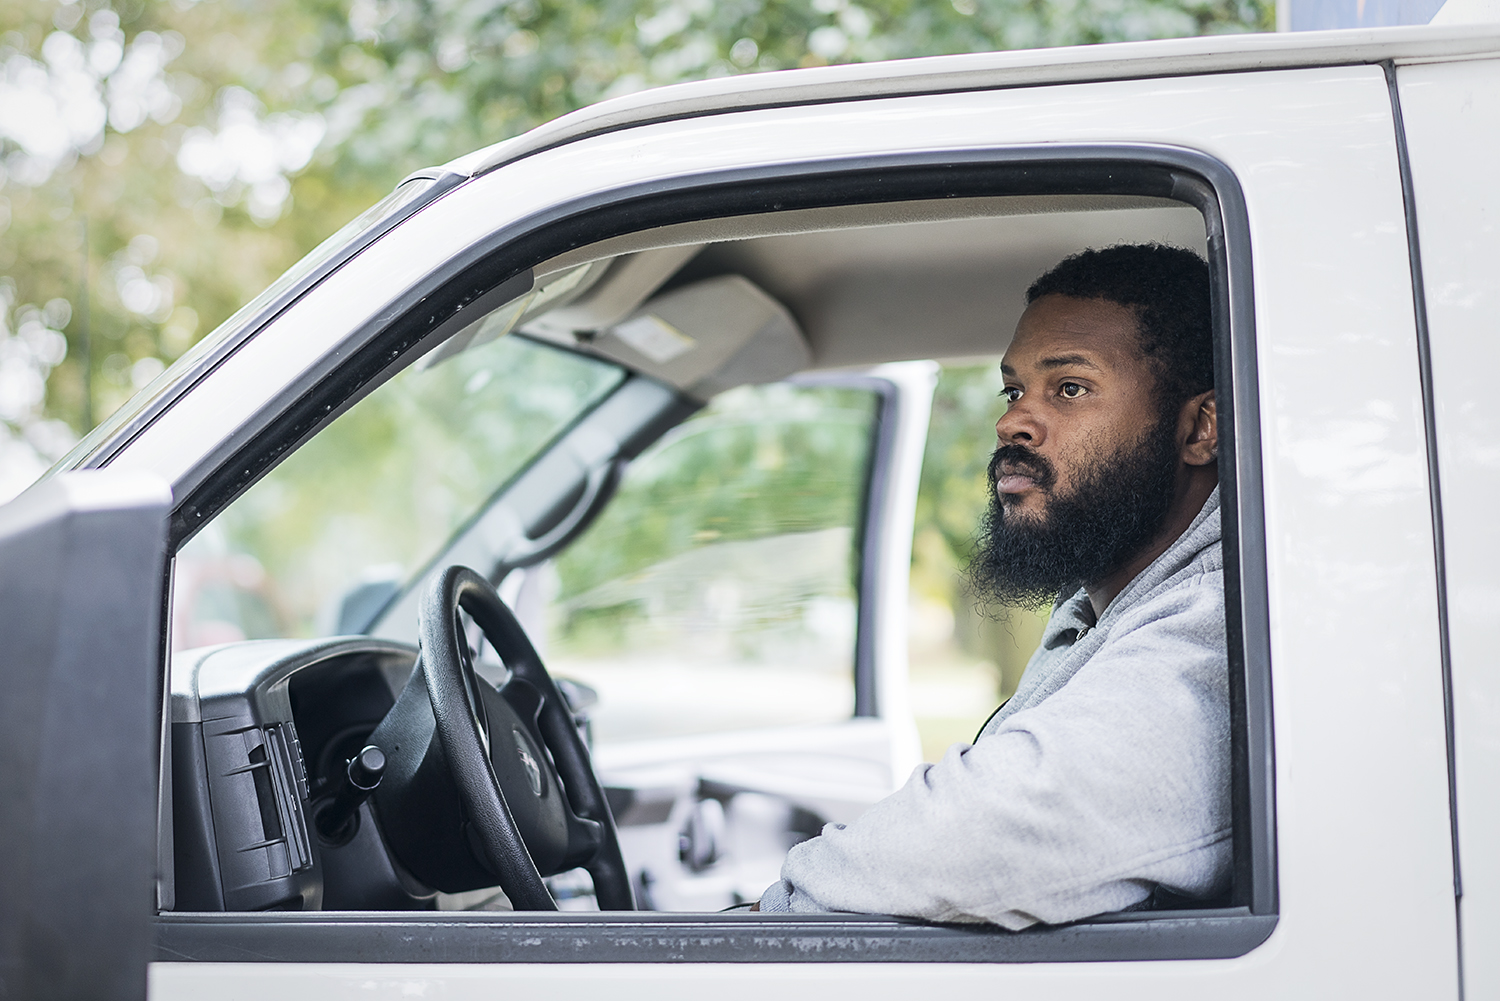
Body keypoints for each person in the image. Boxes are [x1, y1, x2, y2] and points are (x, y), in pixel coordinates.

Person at [754, 243, 1229, 927]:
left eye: (1069, 388)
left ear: (1199, 427)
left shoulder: (1217, 633)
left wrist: (766, 910)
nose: (1011, 421)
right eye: (1014, 390)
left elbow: (974, 840)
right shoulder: (1107, 608)